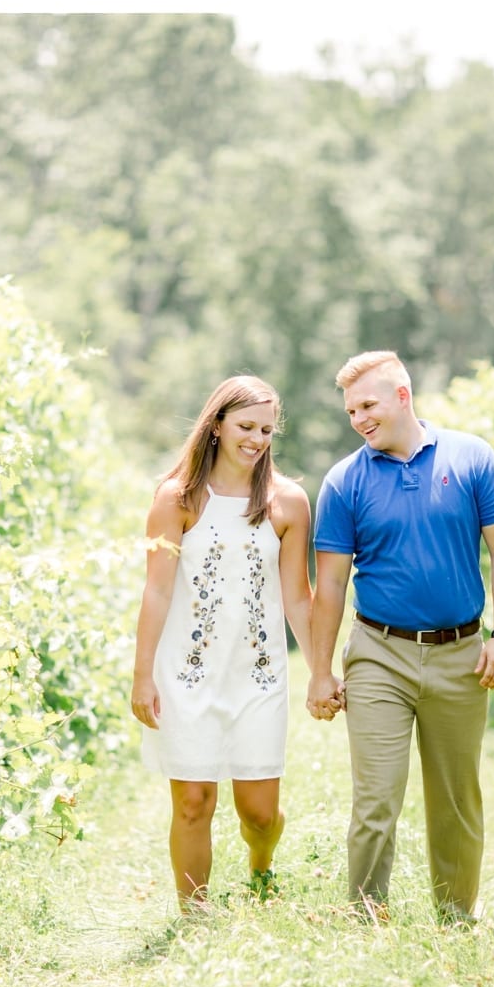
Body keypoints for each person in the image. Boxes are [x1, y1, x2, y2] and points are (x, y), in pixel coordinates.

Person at [306, 350, 494, 926]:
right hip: (378, 654)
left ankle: (456, 920)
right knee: (376, 799)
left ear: (403, 396)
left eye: (368, 404)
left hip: (462, 654)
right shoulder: (344, 481)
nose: (358, 418)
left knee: (455, 800)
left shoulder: (471, 457)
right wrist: (321, 671)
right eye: (351, 410)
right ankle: (365, 918)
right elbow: (328, 585)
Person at [131, 376, 317, 913]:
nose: (256, 439)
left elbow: (299, 598)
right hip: (187, 675)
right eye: (245, 426)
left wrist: (322, 671)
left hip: (258, 674)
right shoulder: (178, 498)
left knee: (258, 813)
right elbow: (157, 589)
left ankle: (261, 866)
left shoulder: (288, 503)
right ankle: (196, 916)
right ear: (216, 425)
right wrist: (143, 674)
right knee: (193, 802)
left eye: (265, 429)